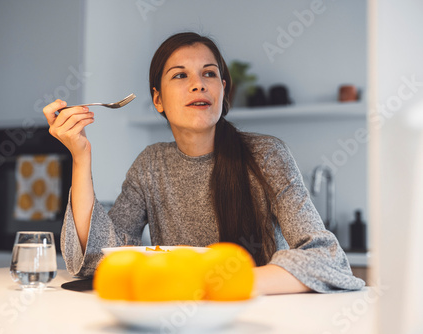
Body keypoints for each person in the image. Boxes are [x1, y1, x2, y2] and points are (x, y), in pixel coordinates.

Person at [43, 32, 365, 295]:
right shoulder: (151, 165)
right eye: (180, 75)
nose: (198, 84)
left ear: (224, 90)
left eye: (209, 74)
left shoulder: (267, 155)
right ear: (158, 100)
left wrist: (220, 284)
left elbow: (328, 259)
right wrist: (81, 156)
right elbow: (101, 257)